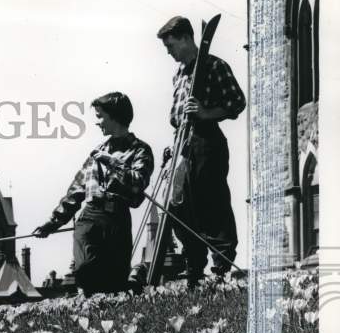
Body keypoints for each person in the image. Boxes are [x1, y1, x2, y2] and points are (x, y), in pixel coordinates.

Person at [34, 92, 154, 296]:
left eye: (100, 116)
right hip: (90, 217)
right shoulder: (96, 153)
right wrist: (53, 222)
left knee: (115, 281)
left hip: (118, 219)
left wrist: (112, 162)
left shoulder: (140, 150)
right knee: (86, 269)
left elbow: (138, 182)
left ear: (115, 116)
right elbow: (76, 191)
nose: (97, 122)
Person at [157, 16, 246, 287]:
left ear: (185, 38)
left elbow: (236, 102)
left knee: (212, 203)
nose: (169, 52)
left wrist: (206, 113)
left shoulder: (214, 65)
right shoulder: (179, 74)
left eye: (171, 45)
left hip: (207, 142)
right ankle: (194, 268)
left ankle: (221, 269)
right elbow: (177, 116)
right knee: (180, 207)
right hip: (181, 145)